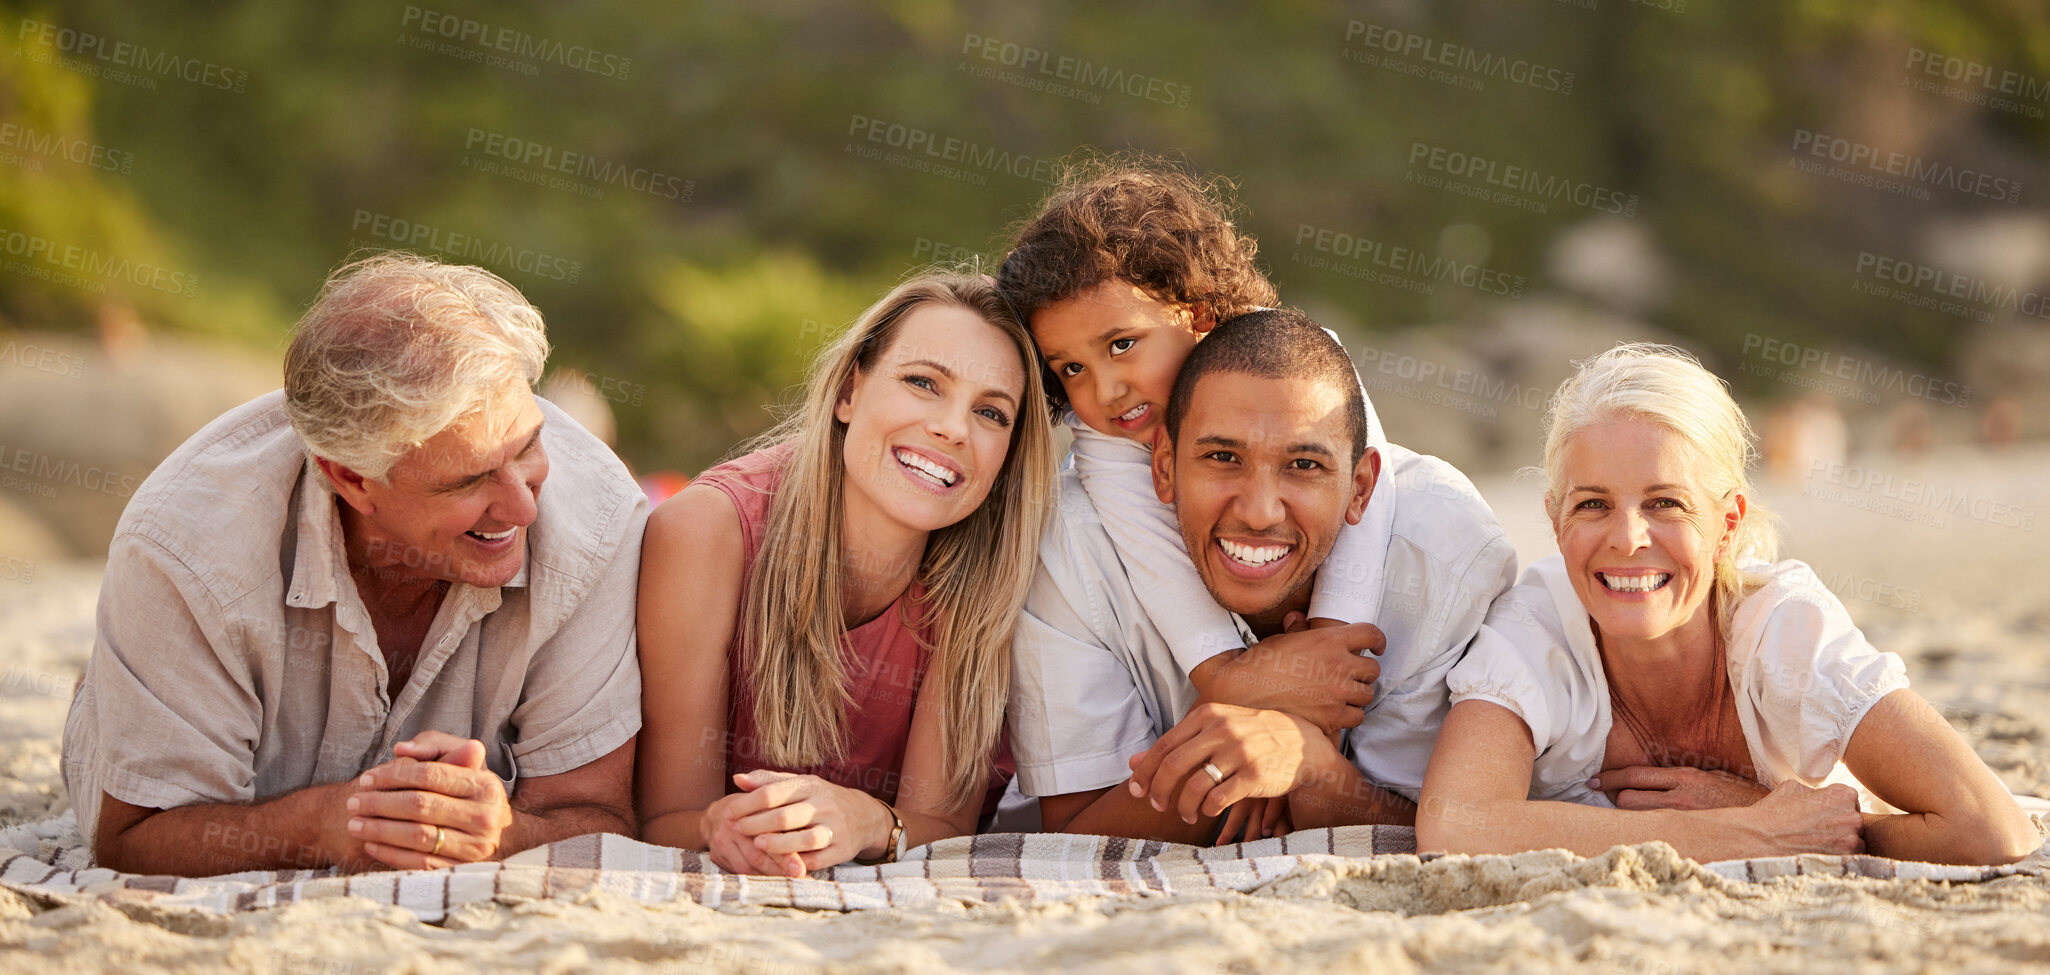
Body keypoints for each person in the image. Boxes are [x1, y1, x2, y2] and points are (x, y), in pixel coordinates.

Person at [62, 253, 647, 876]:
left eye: (528, 445)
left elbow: (596, 814)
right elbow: (132, 837)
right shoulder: (185, 544)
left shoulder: (600, 522)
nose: (524, 507)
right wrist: (327, 826)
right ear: (351, 480)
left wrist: (497, 833)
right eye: (470, 480)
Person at [1418, 344, 2040, 865]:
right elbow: (1453, 825)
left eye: (1665, 503)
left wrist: (1780, 817)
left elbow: (1992, 830)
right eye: (1592, 504)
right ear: (1556, 523)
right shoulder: (1535, 630)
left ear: (1727, 524)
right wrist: (1740, 832)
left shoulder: (1785, 631)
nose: (1628, 538)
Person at [1008, 309, 1515, 845]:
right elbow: (1067, 838)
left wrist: (1306, 764)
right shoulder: (1073, 542)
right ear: (1163, 467)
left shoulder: (1444, 551)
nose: (1259, 512)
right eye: (1223, 457)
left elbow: (1453, 832)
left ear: (1361, 486)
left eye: (1303, 466)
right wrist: (1248, 702)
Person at [635, 272, 1055, 877]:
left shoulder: (988, 573)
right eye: (923, 383)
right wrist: (724, 826)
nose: (954, 428)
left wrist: (862, 819)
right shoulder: (708, 531)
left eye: (991, 412)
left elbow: (941, 824)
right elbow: (665, 818)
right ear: (849, 392)